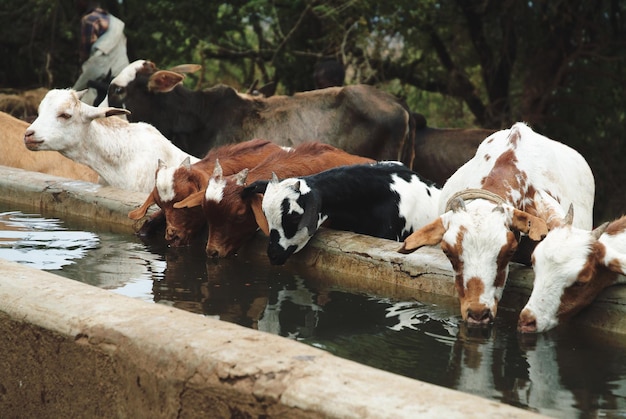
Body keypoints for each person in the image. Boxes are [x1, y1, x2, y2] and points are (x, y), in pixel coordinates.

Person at [73, 0, 129, 105]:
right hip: (121, 73)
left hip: (99, 76)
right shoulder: (115, 22)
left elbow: (85, 54)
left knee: (74, 100)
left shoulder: (89, 20)